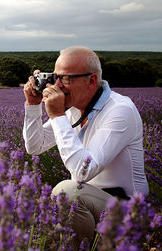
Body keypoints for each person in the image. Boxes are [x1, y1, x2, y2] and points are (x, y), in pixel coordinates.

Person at [22, 46, 149, 249]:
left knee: (66, 192)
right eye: (55, 77)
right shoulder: (74, 109)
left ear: (91, 80)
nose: (57, 86)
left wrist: (56, 115)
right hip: (89, 204)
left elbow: (83, 172)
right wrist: (32, 105)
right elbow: (35, 146)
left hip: (128, 211)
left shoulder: (119, 110)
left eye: (65, 78)